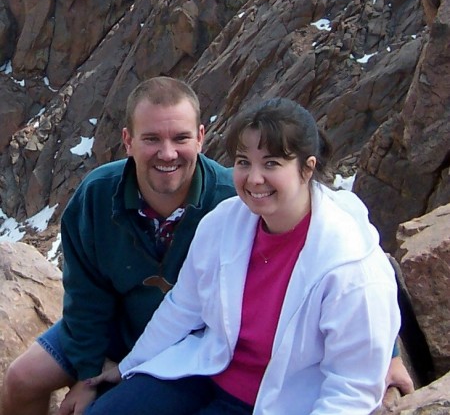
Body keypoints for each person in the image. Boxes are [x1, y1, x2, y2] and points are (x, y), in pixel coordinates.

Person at [1, 79, 413, 415]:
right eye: (245, 163)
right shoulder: (218, 216)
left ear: (200, 138)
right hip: (150, 340)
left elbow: (359, 327)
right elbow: (103, 300)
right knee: (29, 384)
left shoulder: (238, 204)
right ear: (127, 141)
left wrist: (388, 354)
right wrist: (101, 372)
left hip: (251, 379)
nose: (254, 179)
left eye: (272, 164)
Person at [1, 76, 236, 415]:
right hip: (115, 327)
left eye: (180, 138)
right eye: (152, 139)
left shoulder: (231, 200)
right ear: (128, 141)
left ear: (200, 137)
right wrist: (88, 372)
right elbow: (85, 295)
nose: (167, 153)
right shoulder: (98, 194)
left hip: (185, 348)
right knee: (21, 379)